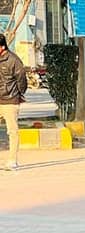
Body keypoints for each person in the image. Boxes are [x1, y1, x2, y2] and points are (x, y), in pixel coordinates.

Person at [0, 33, 27, 171]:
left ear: (2, 46)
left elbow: (21, 79)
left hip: (10, 101)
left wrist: (19, 94)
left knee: (12, 131)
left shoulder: (13, 60)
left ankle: (12, 160)